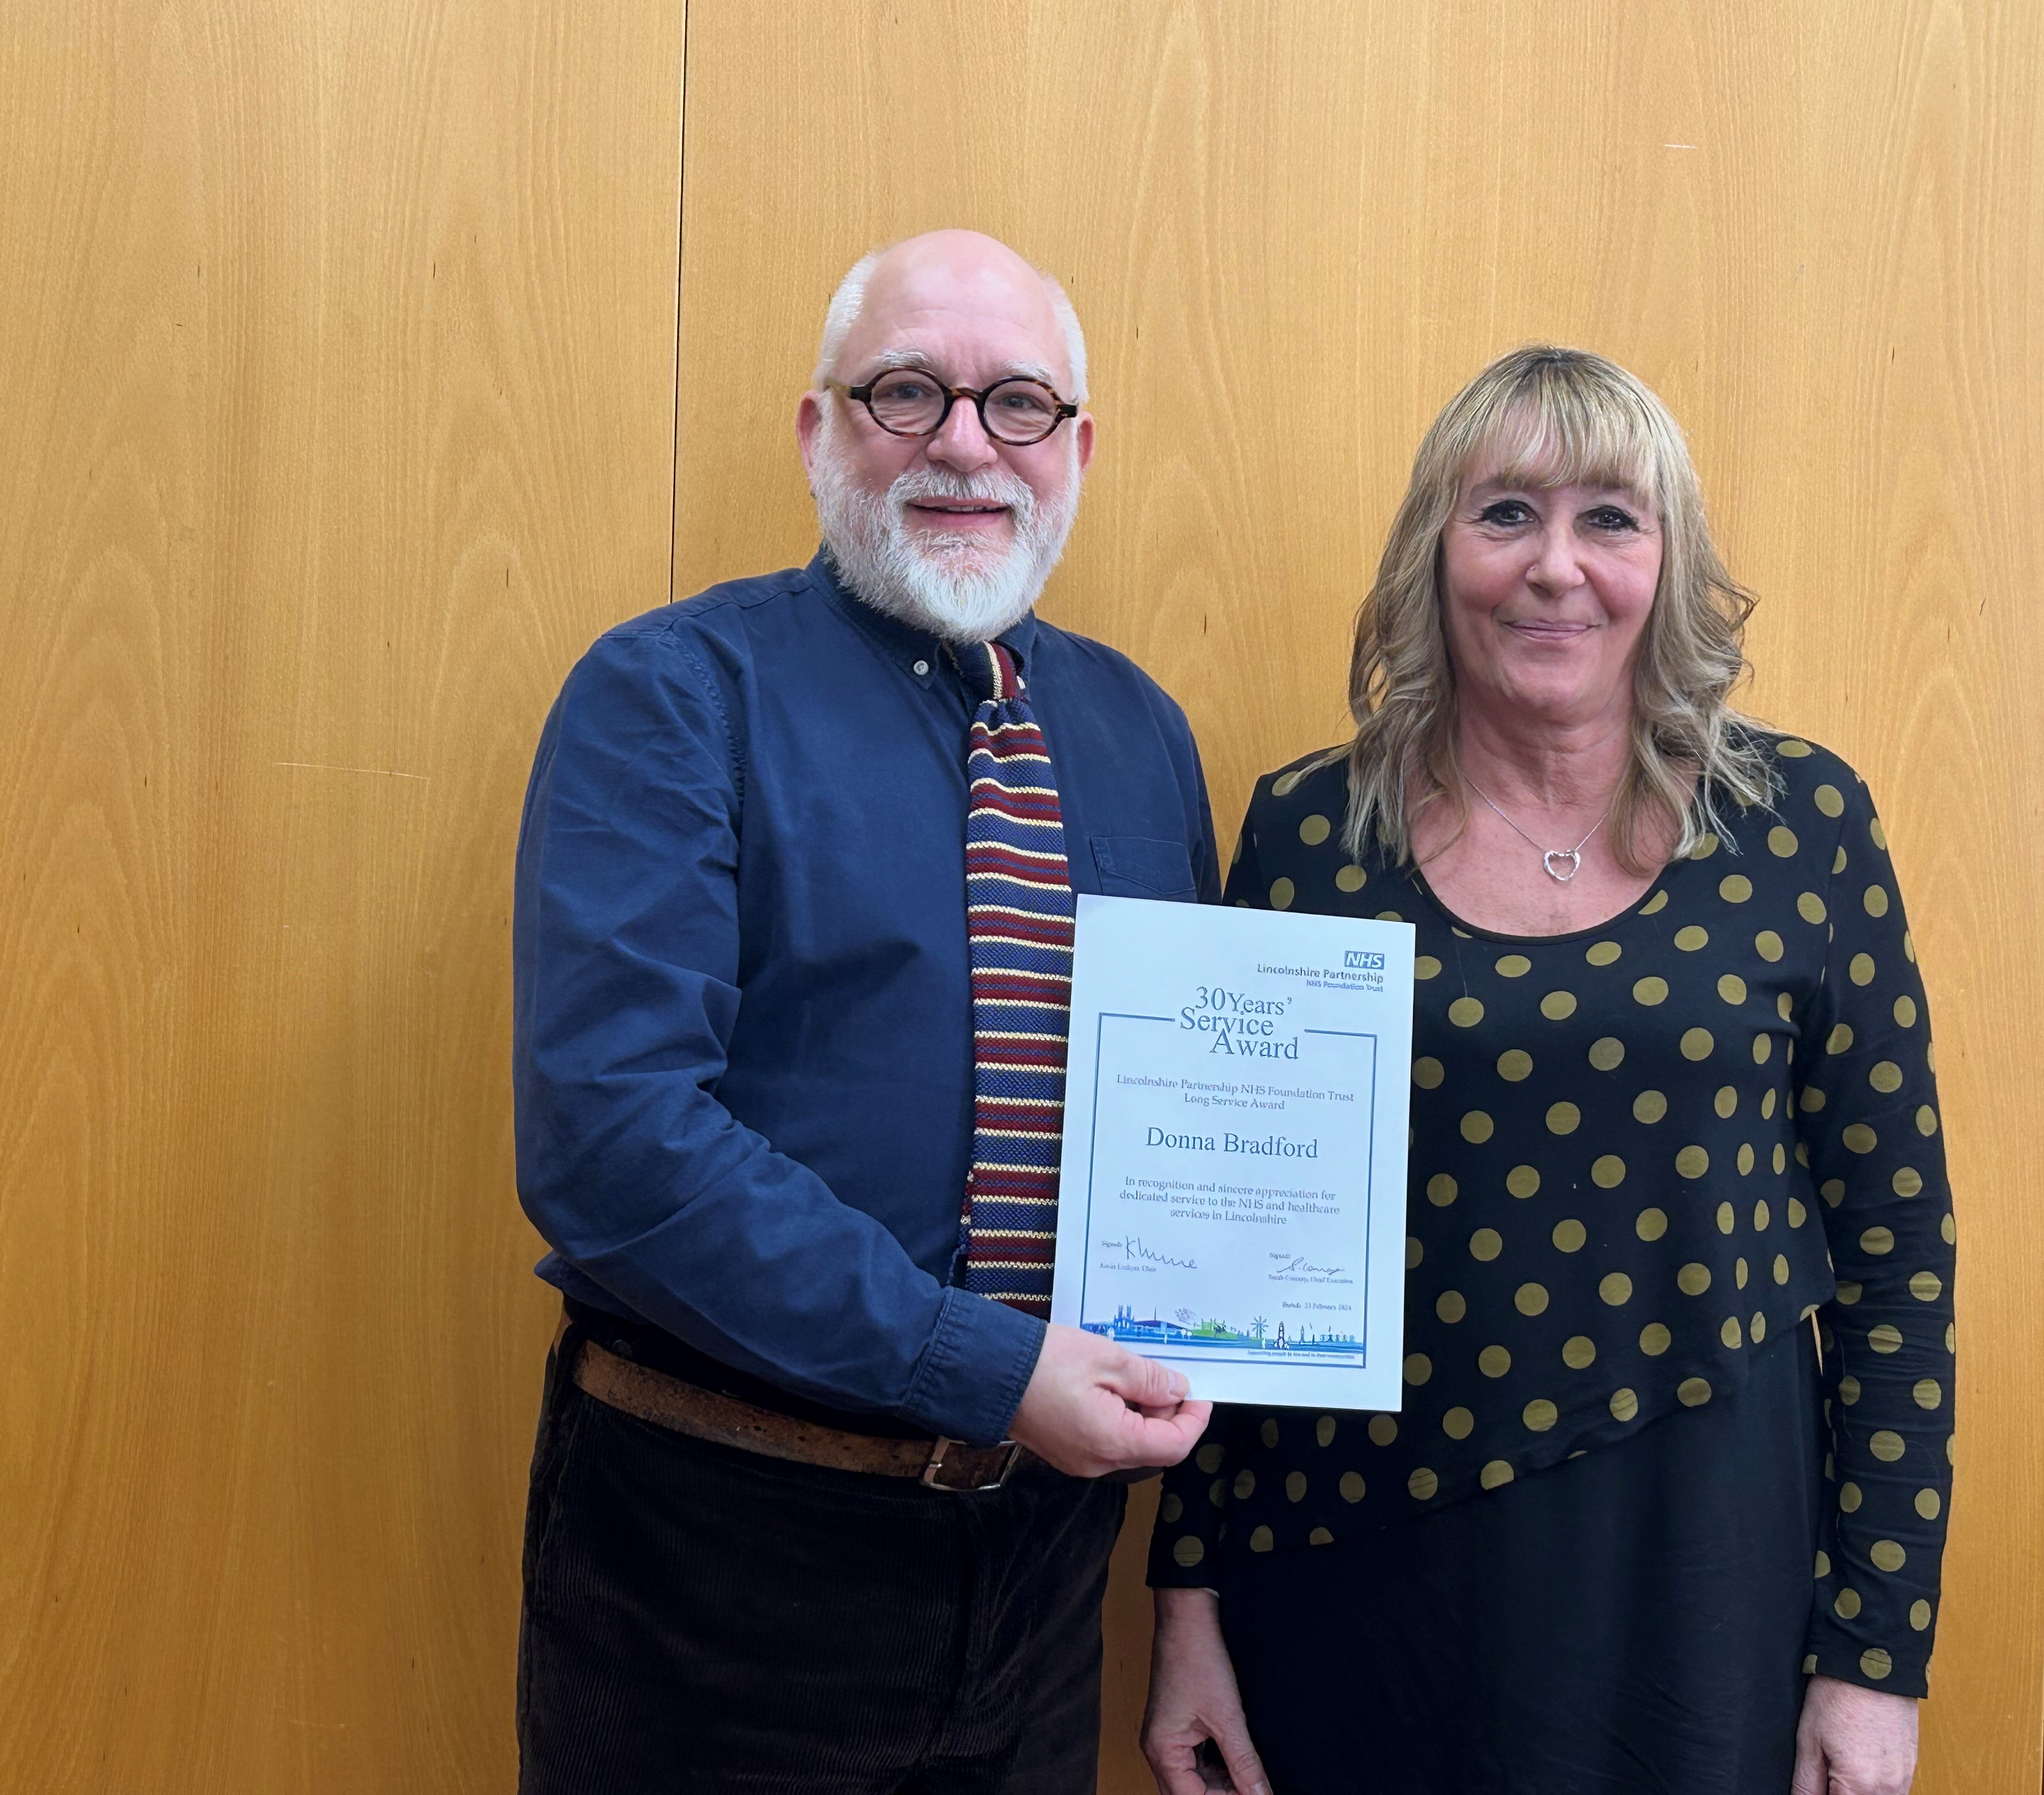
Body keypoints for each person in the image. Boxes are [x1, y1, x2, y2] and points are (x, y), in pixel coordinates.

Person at [1140, 346, 1956, 1795]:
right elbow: (1225, 1269)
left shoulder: (1803, 824)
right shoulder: (1309, 837)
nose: (1555, 569)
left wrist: (1874, 1657)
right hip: (1358, 1568)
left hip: (1701, 1569)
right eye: (1504, 513)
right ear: (1433, 556)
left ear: (1670, 562)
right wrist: (1186, 1607)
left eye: (1611, 520)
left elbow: (1899, 1260)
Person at [511, 228, 1216, 1794]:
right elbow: (614, 1147)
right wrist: (985, 1367)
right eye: (908, 391)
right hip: (723, 1559)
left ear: (1078, 450)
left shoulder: (1140, 736)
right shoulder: (671, 695)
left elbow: (1196, 1135)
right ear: (822, 428)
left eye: (1018, 403)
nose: (966, 443)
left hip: (1045, 1568)